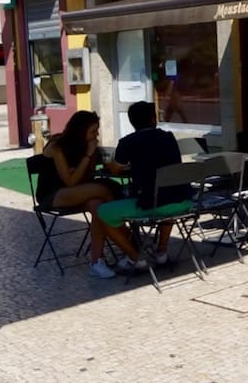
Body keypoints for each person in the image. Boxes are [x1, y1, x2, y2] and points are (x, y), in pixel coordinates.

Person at [99, 101, 192, 272]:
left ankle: (135, 258)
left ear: (132, 122)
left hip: (153, 204)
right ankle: (162, 251)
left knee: (102, 212)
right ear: (153, 119)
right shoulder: (169, 137)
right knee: (166, 191)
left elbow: (116, 167)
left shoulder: (128, 142)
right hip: (183, 199)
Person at [36, 110, 123, 279]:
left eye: (97, 131)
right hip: (52, 195)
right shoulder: (58, 146)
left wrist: (98, 160)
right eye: (93, 131)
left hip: (76, 192)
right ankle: (127, 237)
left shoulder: (84, 145)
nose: (96, 135)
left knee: (98, 206)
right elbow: (70, 182)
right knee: (102, 189)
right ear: (80, 130)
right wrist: (89, 154)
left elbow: (87, 176)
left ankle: (96, 262)